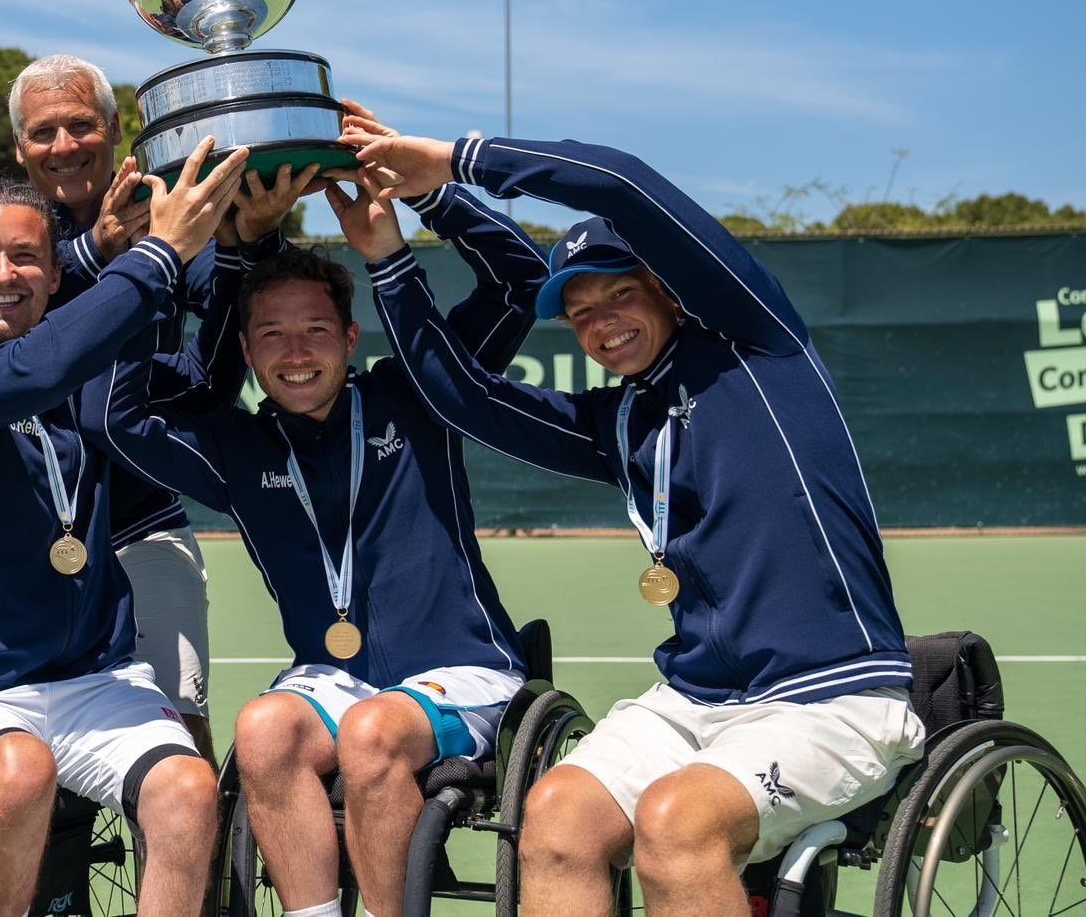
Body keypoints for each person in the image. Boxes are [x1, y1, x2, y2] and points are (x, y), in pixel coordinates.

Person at [339, 124, 926, 916]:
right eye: (580, 312)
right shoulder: (620, 424)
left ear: (669, 292)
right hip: (695, 701)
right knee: (553, 820)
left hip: (831, 699)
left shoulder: (757, 345)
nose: (602, 321)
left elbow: (621, 182)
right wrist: (388, 260)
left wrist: (446, 174)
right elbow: (465, 398)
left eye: (620, 293)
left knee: (676, 825)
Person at [81, 120, 551, 917]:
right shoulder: (239, 448)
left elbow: (522, 279)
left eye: (314, 331)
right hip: (335, 679)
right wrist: (151, 264)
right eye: (272, 335)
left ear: (349, 336)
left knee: (371, 733)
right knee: (263, 729)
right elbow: (116, 416)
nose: (296, 352)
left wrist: (406, 228)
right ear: (251, 354)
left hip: (464, 673)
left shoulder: (421, 394)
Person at [0, 140, 248, 917]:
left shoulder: (89, 379)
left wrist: (246, 250)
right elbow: (32, 373)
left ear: (55, 274)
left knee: (187, 788)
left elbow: (207, 382)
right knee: (19, 772)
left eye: (25, 257)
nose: (3, 275)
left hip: (95, 681)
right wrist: (159, 254)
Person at [8, 53, 313, 764]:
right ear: (20, 148)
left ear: (117, 131)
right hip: (21, 532)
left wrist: (256, 238)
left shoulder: (175, 210)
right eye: (43, 132)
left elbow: (256, 303)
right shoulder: (7, 225)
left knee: (182, 735)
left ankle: (192, 868)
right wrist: (99, 253)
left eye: (81, 126)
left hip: (143, 526)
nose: (64, 146)